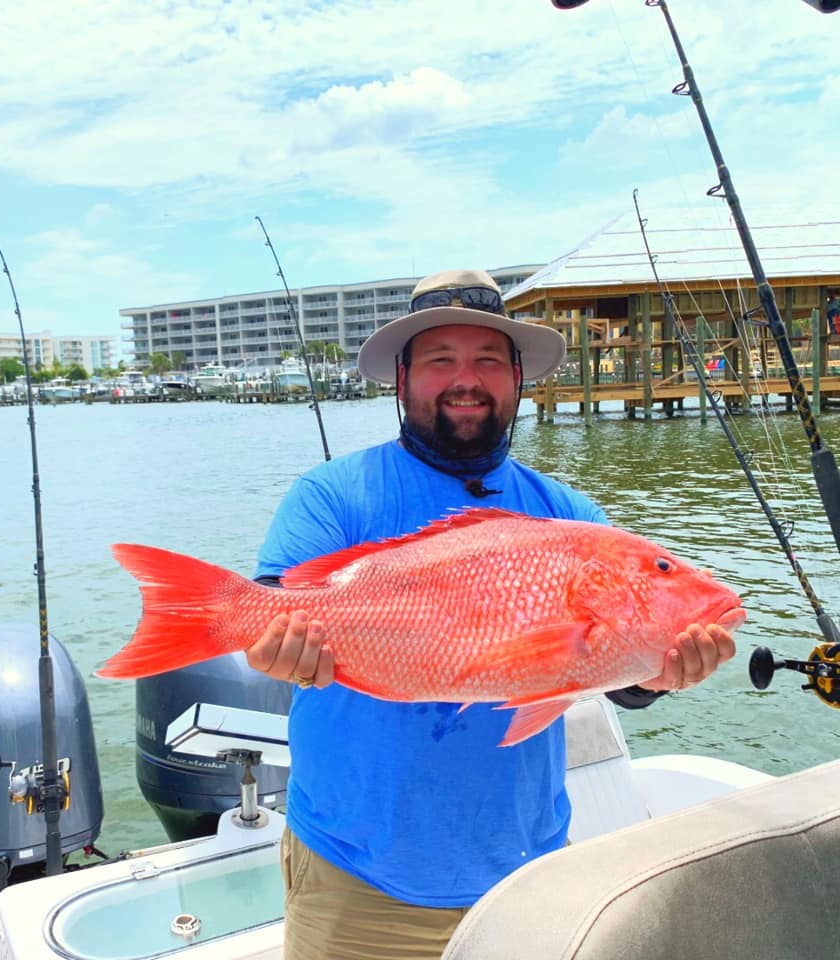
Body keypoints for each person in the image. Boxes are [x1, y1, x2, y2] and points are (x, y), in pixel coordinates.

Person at [246, 268, 736, 960]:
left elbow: (608, 674)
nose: (464, 379)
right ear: (402, 380)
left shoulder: (571, 516)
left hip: (529, 876)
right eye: (441, 360)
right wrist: (269, 644)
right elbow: (270, 613)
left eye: (486, 361)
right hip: (353, 880)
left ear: (516, 379)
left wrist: (659, 673)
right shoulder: (332, 496)